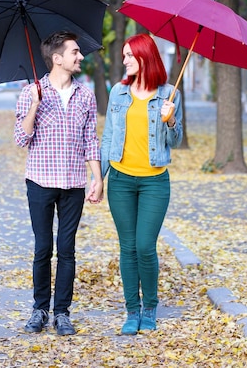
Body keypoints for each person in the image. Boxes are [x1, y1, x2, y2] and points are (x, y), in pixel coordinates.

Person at [14, 30, 103, 336]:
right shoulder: (30, 92)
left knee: (67, 249)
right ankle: (39, 309)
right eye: (74, 52)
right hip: (40, 180)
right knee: (43, 248)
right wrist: (35, 106)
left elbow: (90, 140)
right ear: (57, 58)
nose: (80, 56)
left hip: (74, 184)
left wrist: (97, 178)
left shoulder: (85, 95)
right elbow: (20, 138)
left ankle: (62, 312)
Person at [101, 33, 183, 335]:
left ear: (144, 57)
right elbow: (109, 136)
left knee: (145, 246)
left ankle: (150, 307)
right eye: (123, 55)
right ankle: (131, 312)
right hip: (121, 181)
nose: (123, 61)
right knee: (127, 248)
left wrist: (171, 120)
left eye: (128, 56)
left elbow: (176, 140)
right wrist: (99, 177)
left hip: (154, 183)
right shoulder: (117, 93)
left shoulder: (169, 95)